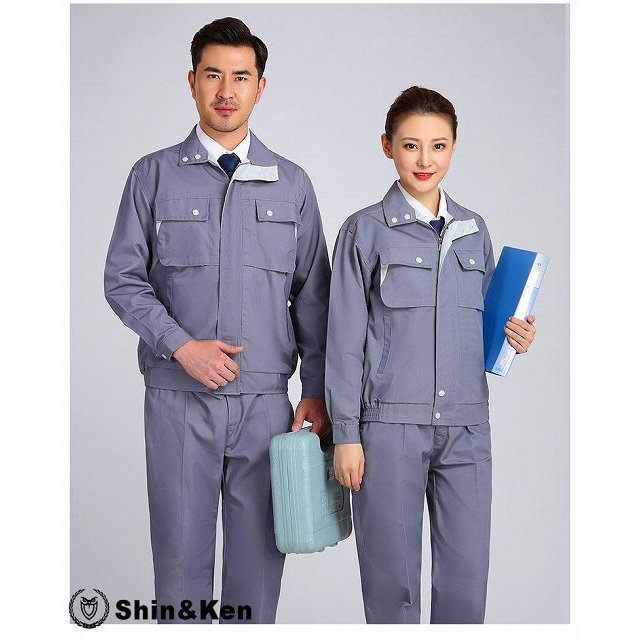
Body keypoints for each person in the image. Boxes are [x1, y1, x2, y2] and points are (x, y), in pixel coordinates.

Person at [104, 17, 331, 624]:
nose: (226, 91)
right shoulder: (152, 175)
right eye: (213, 75)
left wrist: (314, 390)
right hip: (179, 399)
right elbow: (123, 279)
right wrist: (181, 346)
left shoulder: (292, 184)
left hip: (265, 406)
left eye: (241, 77)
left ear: (260, 86)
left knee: (257, 573)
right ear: (192, 82)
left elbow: (314, 298)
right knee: (179, 570)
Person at [325, 86, 537, 624]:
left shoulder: (474, 231)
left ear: (454, 148)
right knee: (390, 586)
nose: (425, 160)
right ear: (387, 146)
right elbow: (343, 342)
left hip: (466, 428)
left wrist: (516, 335)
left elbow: (483, 325)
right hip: (389, 429)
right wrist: (346, 435)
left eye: (438, 146)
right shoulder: (364, 231)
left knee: (466, 582)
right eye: (411, 145)